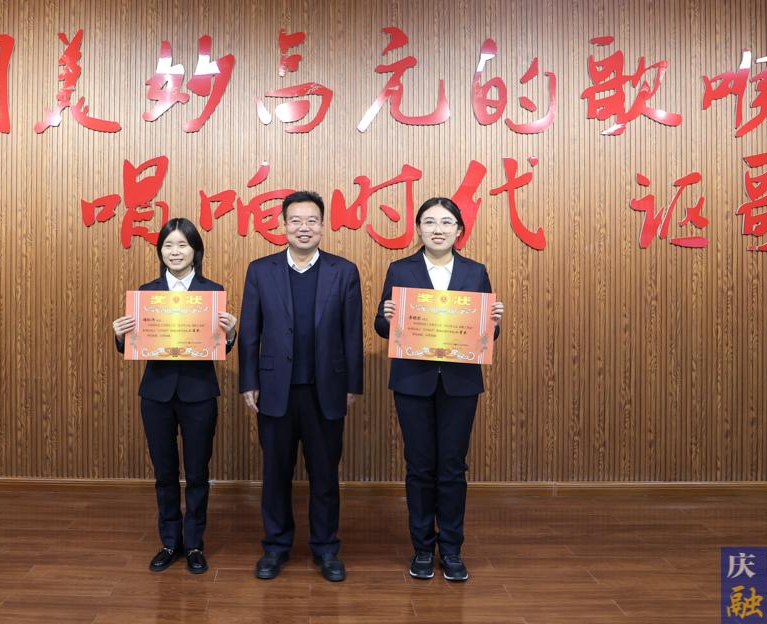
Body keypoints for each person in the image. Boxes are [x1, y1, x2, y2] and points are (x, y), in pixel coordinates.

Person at [374, 197, 504, 582]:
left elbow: (485, 333)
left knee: (452, 466)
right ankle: (421, 548)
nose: (438, 229)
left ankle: (451, 548)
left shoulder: (475, 271)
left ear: (459, 230)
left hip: (459, 384)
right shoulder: (401, 269)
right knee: (419, 467)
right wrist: (387, 317)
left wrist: (494, 322)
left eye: (446, 223)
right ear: (418, 229)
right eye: (429, 222)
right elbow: (382, 327)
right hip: (413, 381)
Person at [238, 190, 363, 582]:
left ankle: (326, 548)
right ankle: (275, 547)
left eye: (311, 220)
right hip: (275, 389)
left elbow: (352, 334)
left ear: (323, 226)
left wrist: (353, 384)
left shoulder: (344, 271)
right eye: (295, 220)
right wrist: (249, 381)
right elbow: (250, 333)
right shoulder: (261, 270)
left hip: (326, 390)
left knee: (325, 475)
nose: (303, 227)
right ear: (283, 225)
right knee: (276, 474)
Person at [112, 217, 237, 575]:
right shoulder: (146, 294)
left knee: (197, 473)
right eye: (168, 245)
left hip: (199, 394)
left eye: (183, 245)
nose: (175, 251)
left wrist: (230, 334)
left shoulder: (212, 292)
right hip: (156, 394)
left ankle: (194, 543)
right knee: (165, 473)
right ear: (160, 251)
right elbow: (134, 345)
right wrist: (120, 335)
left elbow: (219, 347)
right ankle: (170, 541)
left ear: (196, 251)